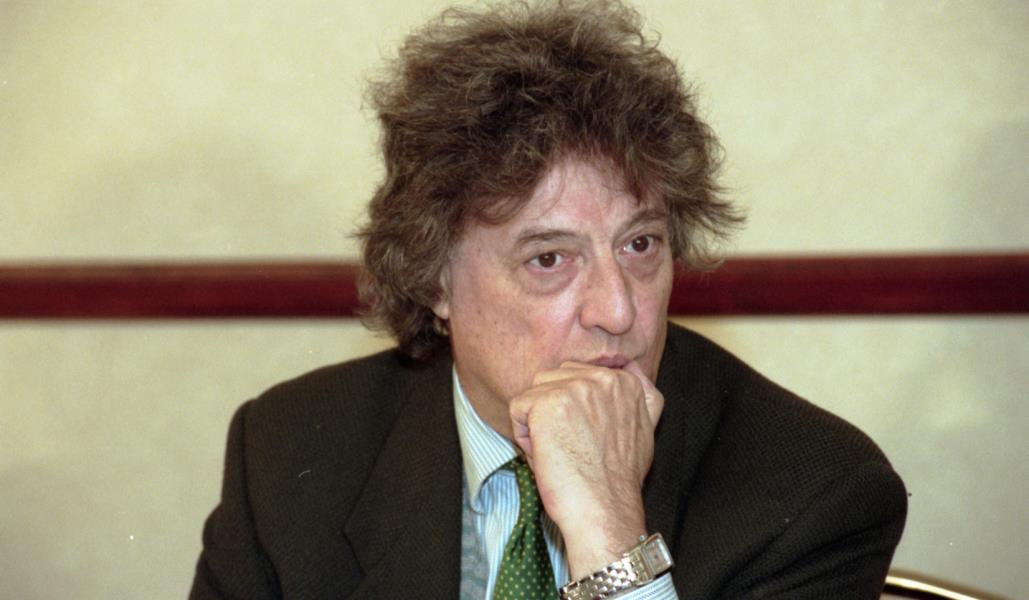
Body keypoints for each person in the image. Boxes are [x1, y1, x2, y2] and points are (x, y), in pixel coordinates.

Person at [189, 1, 906, 598]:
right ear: (435, 278)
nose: (617, 311)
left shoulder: (814, 491)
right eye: (549, 259)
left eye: (640, 245)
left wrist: (608, 529)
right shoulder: (289, 451)